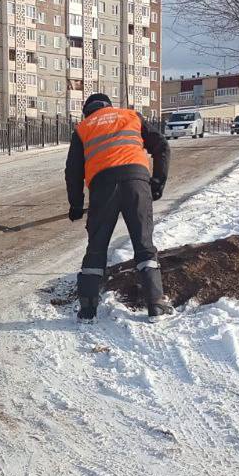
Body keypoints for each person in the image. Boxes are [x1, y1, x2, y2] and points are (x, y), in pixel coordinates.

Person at [65, 93, 173, 323]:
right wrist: (157, 182)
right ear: (108, 106)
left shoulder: (83, 128)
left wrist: (75, 204)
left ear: (87, 111)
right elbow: (161, 145)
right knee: (144, 245)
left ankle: (87, 311)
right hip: (137, 182)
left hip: (103, 188)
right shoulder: (130, 116)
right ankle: (155, 305)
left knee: (96, 247)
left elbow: (73, 171)